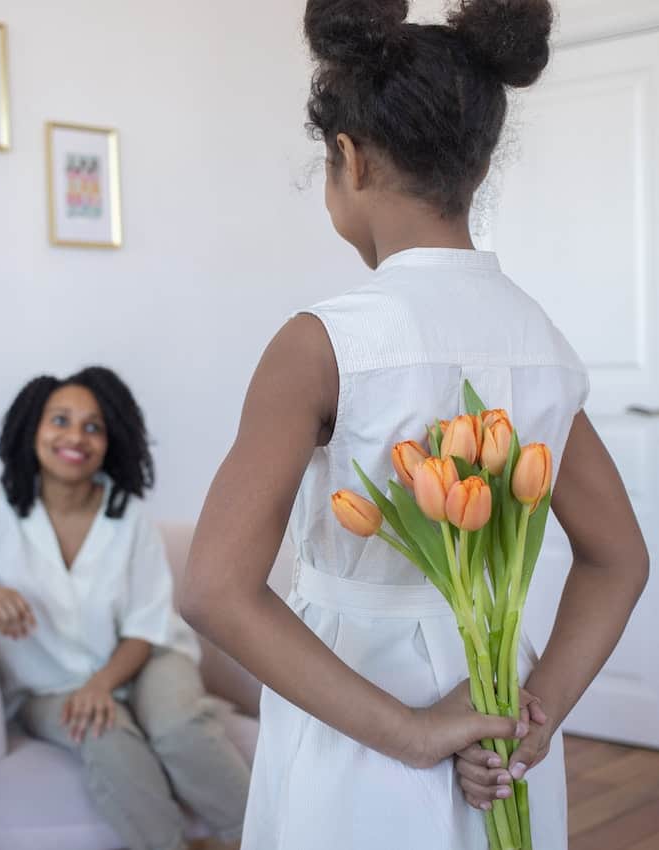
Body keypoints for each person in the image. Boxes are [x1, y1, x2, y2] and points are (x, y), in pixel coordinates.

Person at [180, 2, 648, 849]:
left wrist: (415, 731)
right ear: (476, 167)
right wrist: (537, 715)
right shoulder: (539, 340)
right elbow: (620, 558)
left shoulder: (321, 344)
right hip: (501, 721)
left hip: (358, 720)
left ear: (348, 160)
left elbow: (213, 587)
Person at [0, 366, 249, 850]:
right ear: (32, 427)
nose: (75, 436)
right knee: (107, 737)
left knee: (179, 728)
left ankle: (266, 833)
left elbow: (145, 627)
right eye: (60, 420)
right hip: (49, 687)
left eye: (92, 426)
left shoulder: (127, 517)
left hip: (148, 659)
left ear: (110, 440)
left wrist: (101, 685)